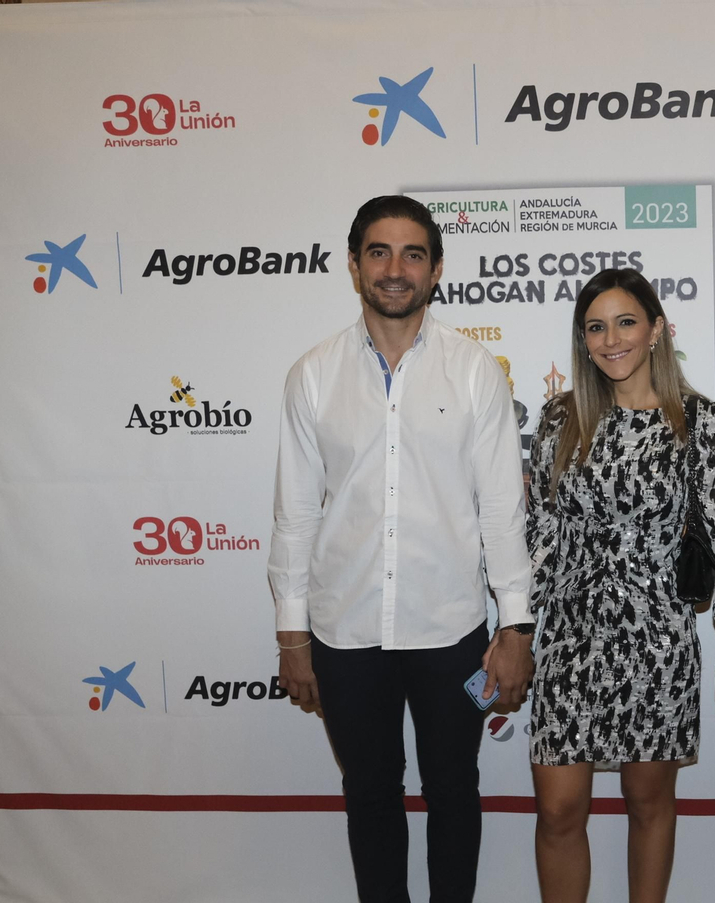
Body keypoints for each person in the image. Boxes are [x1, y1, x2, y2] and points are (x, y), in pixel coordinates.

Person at [268, 195, 536, 903]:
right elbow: (294, 514)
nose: (395, 269)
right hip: (345, 629)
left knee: (454, 790)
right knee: (370, 793)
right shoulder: (314, 375)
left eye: (412, 253)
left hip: (451, 628)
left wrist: (515, 625)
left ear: (436, 268)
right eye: (379, 252)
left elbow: (503, 509)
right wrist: (292, 634)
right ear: (353, 265)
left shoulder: (475, 369)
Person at [526, 268, 715, 903]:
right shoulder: (560, 421)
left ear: (656, 330)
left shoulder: (705, 426)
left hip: (658, 640)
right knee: (558, 810)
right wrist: (514, 629)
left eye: (626, 322)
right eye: (595, 327)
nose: (611, 339)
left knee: (647, 802)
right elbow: (539, 540)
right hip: (570, 637)